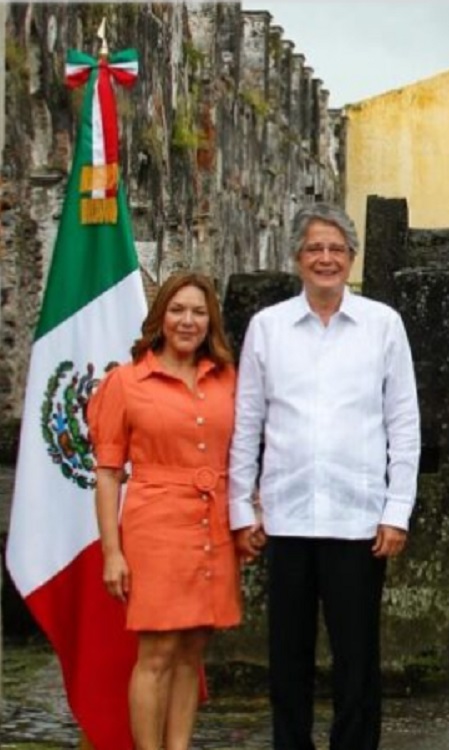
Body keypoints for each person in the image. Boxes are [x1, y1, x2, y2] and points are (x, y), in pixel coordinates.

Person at [228, 202, 420, 750]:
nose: (326, 259)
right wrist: (242, 508)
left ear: (352, 257)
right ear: (297, 257)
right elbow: (248, 422)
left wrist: (396, 511)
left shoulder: (383, 325)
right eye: (315, 248)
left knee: (357, 658)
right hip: (284, 517)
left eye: (336, 249)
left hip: (357, 519)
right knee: (286, 656)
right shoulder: (268, 328)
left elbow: (403, 424)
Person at [87, 272, 241, 750]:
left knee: (192, 649)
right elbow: (109, 473)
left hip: (211, 523)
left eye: (198, 312)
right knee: (157, 650)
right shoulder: (126, 382)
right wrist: (112, 552)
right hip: (154, 525)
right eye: (177, 310)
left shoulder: (228, 379)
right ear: (160, 319)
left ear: (210, 320)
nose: (187, 321)